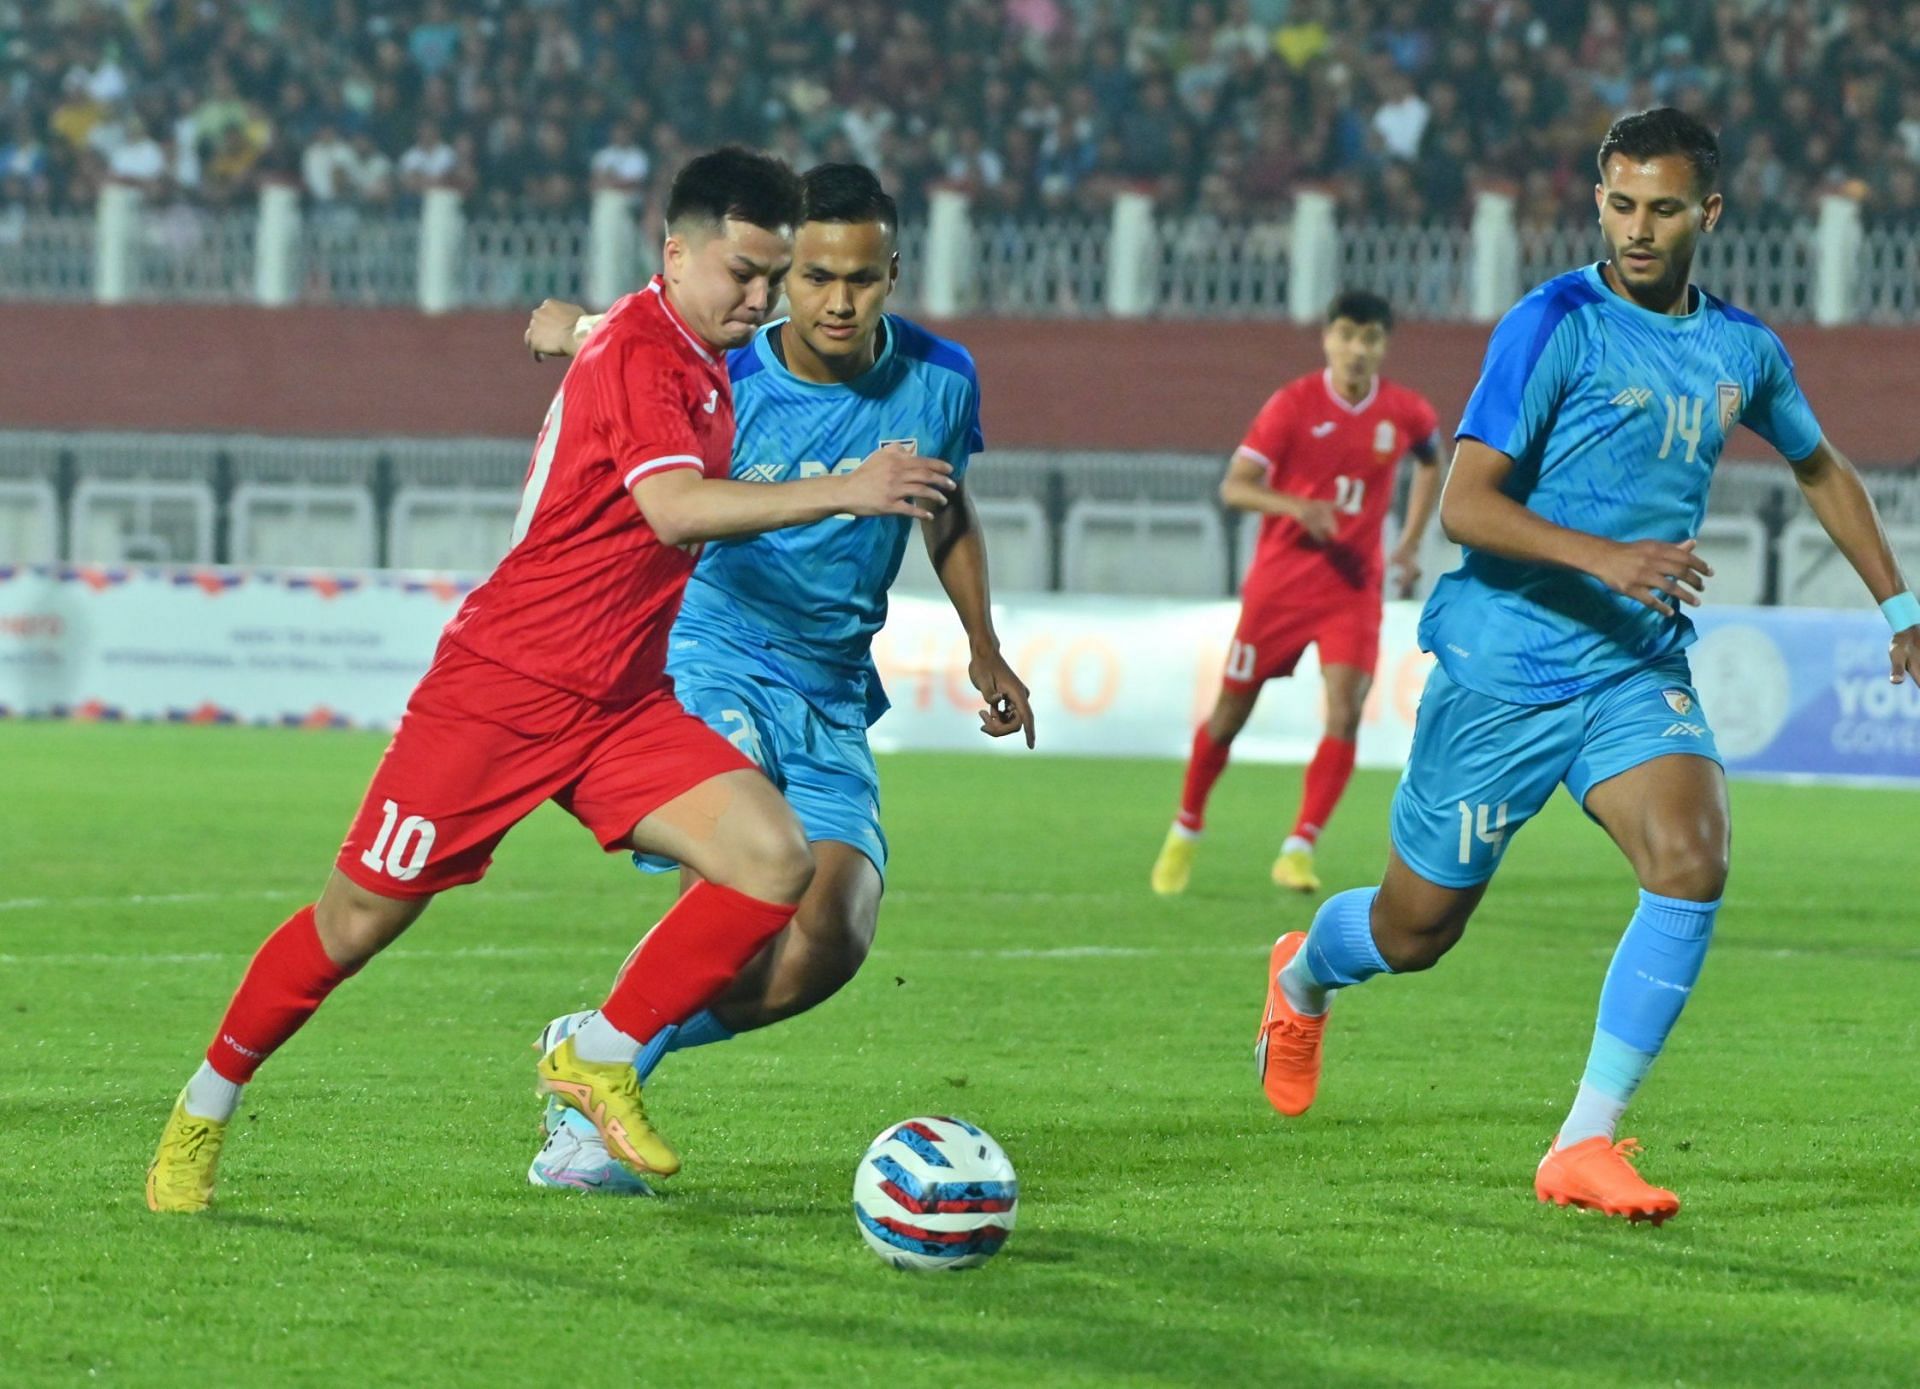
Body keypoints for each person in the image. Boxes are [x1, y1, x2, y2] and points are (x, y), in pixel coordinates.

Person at [145, 146, 956, 1213]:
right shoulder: (646, 353)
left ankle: (602, 1052)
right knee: (353, 926)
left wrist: (567, 326)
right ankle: (202, 1111)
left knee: (773, 861)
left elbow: (615, 338)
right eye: (744, 274)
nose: (761, 301)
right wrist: (844, 488)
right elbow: (674, 509)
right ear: (676, 255)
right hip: (503, 692)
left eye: (774, 279)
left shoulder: (686, 347)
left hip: (621, 706)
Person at [1254, 109, 1920, 1224]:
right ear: (1599, 200)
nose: (1638, 229)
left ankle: (1582, 1140)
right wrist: (1606, 557)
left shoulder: (1741, 348)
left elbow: (1822, 466)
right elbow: (1466, 504)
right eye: (1620, 205)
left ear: (1708, 211)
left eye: (1664, 208)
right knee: (1416, 930)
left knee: (1692, 859)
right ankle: (1302, 974)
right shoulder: (1552, 321)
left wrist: (1898, 604)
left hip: (1629, 667)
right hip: (1505, 670)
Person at [517, 162, 1036, 1194]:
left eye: (860, 279)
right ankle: (592, 1108)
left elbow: (946, 508)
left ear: (892, 272)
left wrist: (984, 643)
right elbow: (594, 333)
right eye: (812, 278)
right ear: (780, 276)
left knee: (828, 943)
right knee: (751, 867)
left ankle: (604, 1035)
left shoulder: (942, 378)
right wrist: (567, 329)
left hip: (833, 690)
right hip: (706, 651)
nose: (836, 302)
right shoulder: (721, 367)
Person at [1151, 291, 1441, 897]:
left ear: (1384, 346)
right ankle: (1185, 829)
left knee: (1344, 709)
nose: (1357, 349)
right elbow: (1236, 487)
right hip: (1280, 586)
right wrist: (1295, 506)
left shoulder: (1405, 412)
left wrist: (1410, 542)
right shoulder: (1293, 405)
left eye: (1370, 338)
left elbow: (1430, 461)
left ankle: (1299, 847)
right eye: (1346, 335)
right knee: (1230, 715)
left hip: (1352, 588)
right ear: (1327, 339)